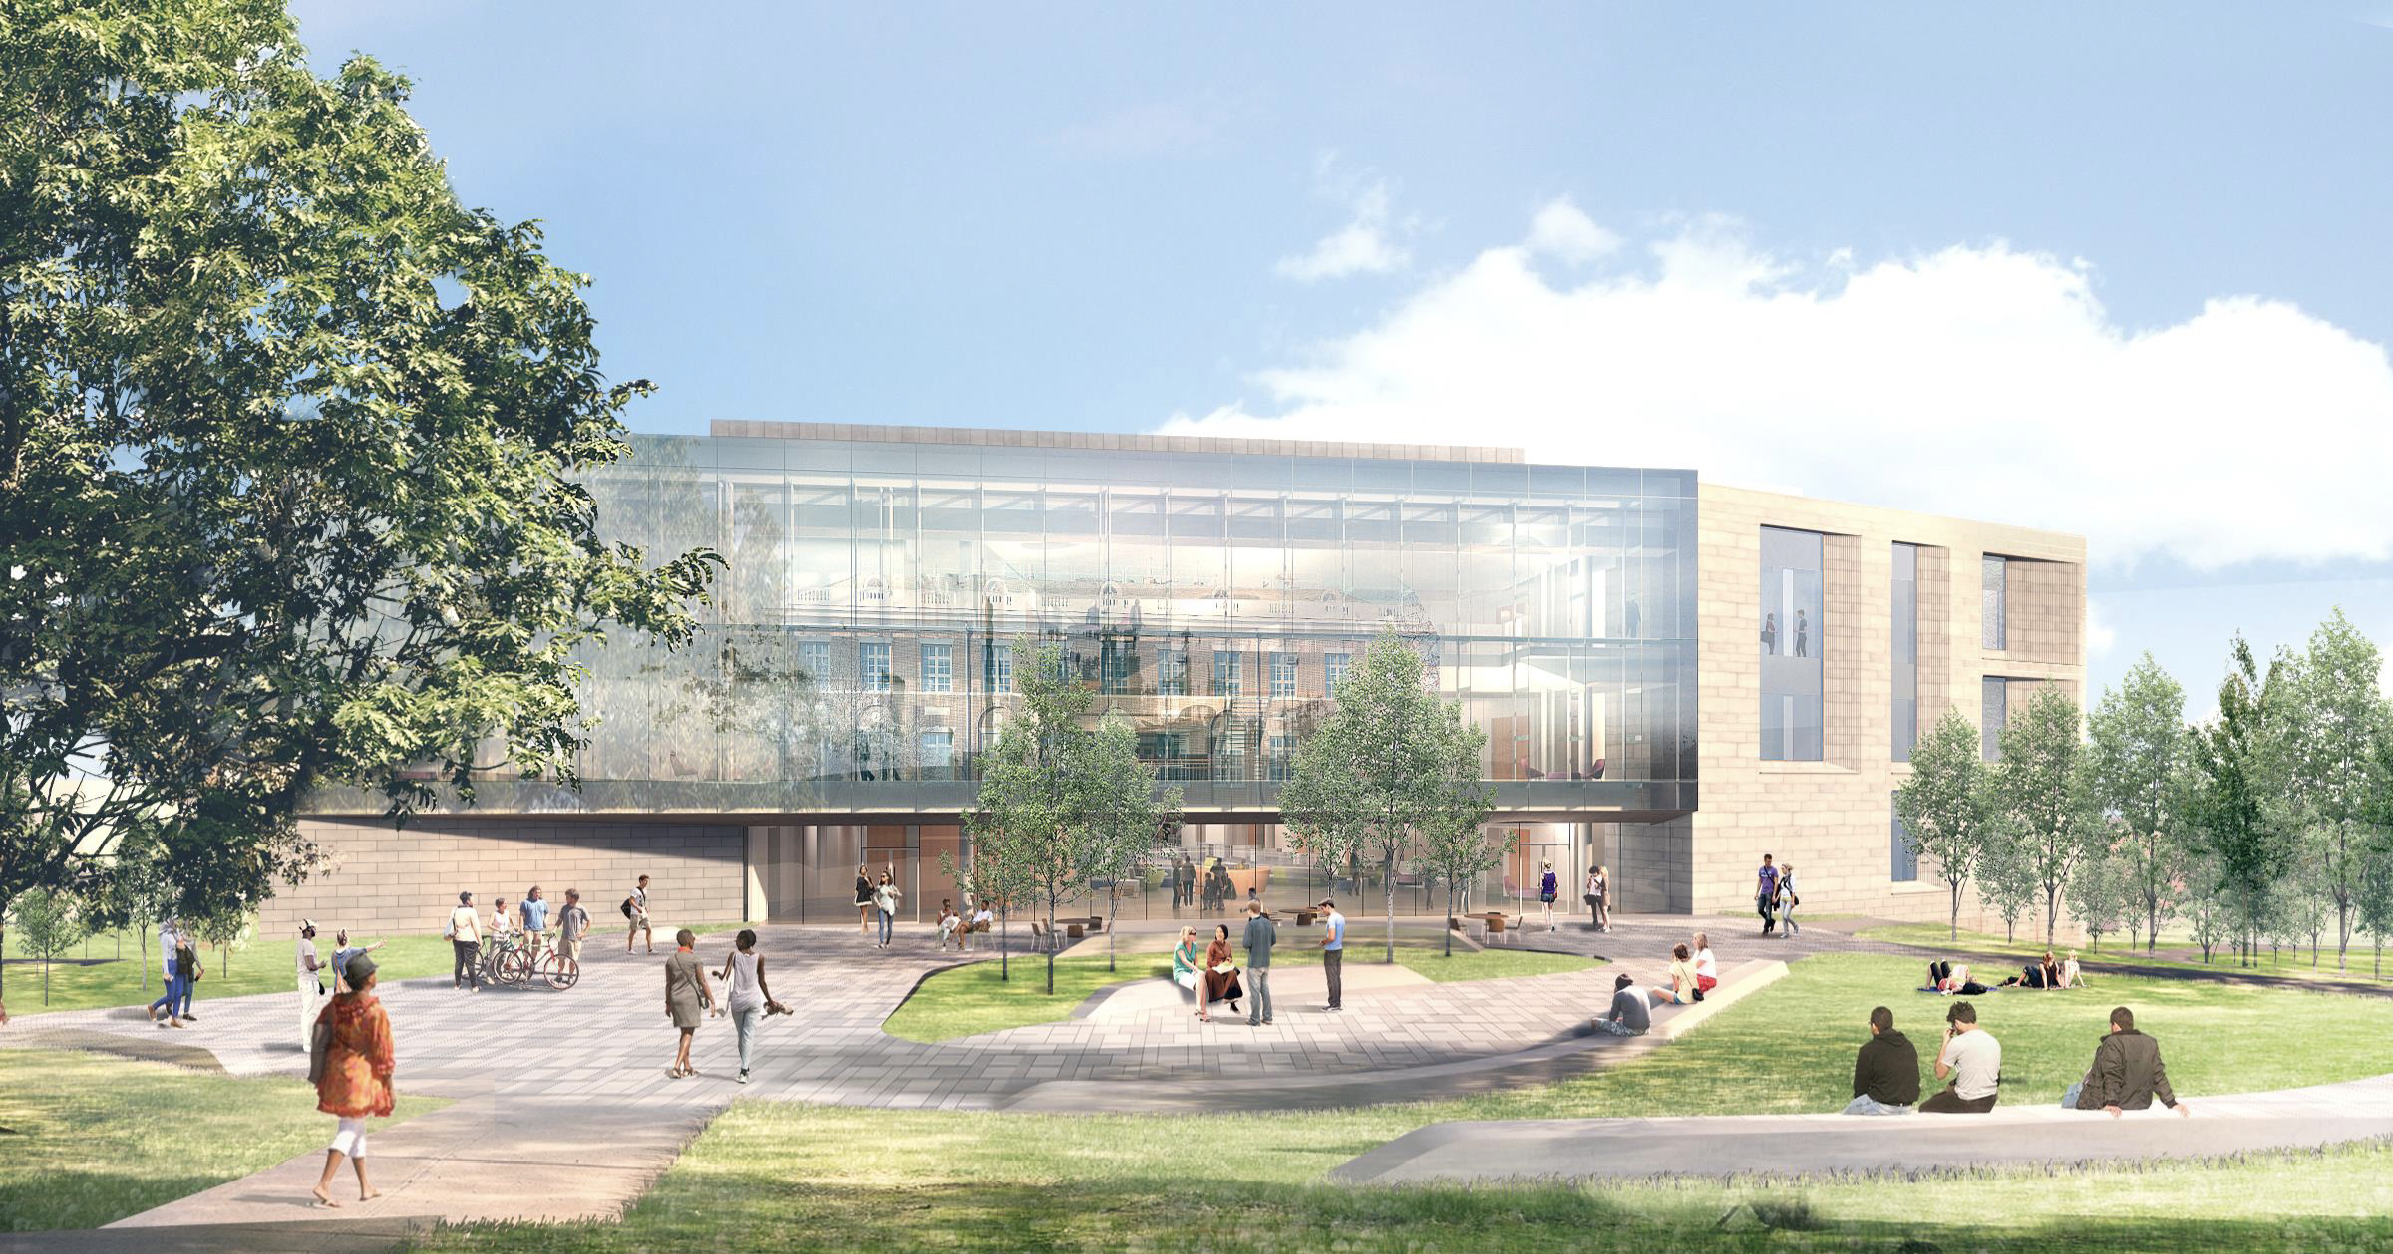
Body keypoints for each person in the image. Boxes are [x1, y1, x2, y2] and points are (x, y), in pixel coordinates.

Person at [310, 953, 394, 1208]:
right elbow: (384, 1053)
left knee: (356, 1127)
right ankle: (324, 1183)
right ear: (369, 979)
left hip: (336, 1074)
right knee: (349, 1129)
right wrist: (389, 1086)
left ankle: (365, 1185)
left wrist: (318, 1071)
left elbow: (319, 1034)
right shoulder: (374, 1012)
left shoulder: (335, 1006)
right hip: (358, 1078)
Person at [2064, 1006, 2191, 1117]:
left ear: (2115, 1025)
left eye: (2111, 1025)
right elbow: (2158, 1075)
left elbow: (2112, 1074)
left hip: (2109, 1101)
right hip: (2140, 1103)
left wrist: (2111, 1102)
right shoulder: (2150, 1043)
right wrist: (2171, 1103)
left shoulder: (2113, 1043)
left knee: (2071, 1093)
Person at [1920, 1001, 2001, 1113]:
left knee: (1924, 1108)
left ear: (1957, 1023)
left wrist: (1945, 1042)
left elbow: (1940, 1074)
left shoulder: (1958, 1042)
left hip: (1968, 1102)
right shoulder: (1993, 1041)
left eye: (1953, 1025)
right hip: (1989, 1100)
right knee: (1952, 1085)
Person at [718, 929, 776, 1085]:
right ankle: (745, 1068)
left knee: (741, 1036)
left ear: (743, 941)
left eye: (737, 939)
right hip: (753, 1001)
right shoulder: (760, 958)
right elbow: (762, 981)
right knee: (748, 1035)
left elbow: (725, 976)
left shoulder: (734, 956)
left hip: (738, 1002)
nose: (736, 942)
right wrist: (770, 1000)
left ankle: (744, 1069)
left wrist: (718, 975)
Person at [1844, 1006, 1921, 1115]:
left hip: (1881, 1106)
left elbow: (1860, 1088)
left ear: (1874, 1027)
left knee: (1845, 1118)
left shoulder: (1869, 1050)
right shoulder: (1908, 1046)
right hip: (1907, 1107)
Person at [663, 928, 714, 1079]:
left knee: (684, 1033)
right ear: (689, 941)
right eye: (693, 938)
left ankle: (687, 1066)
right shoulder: (694, 960)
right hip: (689, 1000)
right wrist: (711, 998)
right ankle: (677, 1067)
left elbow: (668, 984)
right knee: (688, 1033)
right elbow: (702, 981)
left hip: (675, 999)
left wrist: (667, 1003)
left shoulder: (671, 960)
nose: (694, 940)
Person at [1241, 901, 1276, 1026]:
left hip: (1254, 963)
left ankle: (1255, 1019)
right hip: (1266, 962)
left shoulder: (1250, 925)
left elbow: (1246, 944)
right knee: (1265, 990)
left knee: (1255, 992)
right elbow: (1273, 940)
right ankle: (1268, 1017)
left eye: (1247, 910)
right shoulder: (1268, 922)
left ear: (1250, 910)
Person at [295, 920, 328, 1052]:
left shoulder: (299, 944)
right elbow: (310, 965)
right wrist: (321, 965)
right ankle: (308, 1044)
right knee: (310, 1013)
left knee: (307, 1012)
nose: (315, 930)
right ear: (308, 929)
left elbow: (298, 964)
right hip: (309, 983)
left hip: (304, 982)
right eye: (313, 928)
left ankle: (309, 1042)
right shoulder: (308, 944)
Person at [1201, 923, 1242, 1022]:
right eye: (1217, 932)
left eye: (1221, 932)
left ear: (1225, 933)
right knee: (1230, 975)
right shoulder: (1212, 945)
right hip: (1213, 970)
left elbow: (1230, 957)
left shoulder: (1228, 945)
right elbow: (1208, 962)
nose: (1219, 934)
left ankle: (1229, 999)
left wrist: (1229, 960)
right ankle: (1228, 999)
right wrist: (1220, 962)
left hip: (1224, 968)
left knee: (1233, 973)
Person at [1594, 972, 1651, 1036]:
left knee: (1594, 1021)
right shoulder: (1641, 990)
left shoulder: (1619, 994)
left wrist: (1615, 994)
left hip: (1629, 1031)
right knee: (1621, 1020)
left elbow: (1612, 1018)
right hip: (1646, 1030)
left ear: (1617, 987)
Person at [1318, 898, 1345, 1012]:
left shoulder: (1332, 919)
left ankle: (1333, 1004)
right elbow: (1342, 934)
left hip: (1331, 952)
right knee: (1337, 978)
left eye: (1323, 908)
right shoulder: (1341, 917)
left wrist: (1323, 942)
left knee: (1331, 979)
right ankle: (1337, 1003)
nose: (1322, 911)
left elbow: (1331, 937)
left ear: (1328, 906)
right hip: (1339, 950)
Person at [1171, 926, 1204, 1012]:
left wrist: (1196, 970)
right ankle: (1200, 1009)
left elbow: (1196, 960)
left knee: (1202, 975)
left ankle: (1199, 1007)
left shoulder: (1194, 945)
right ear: (1187, 935)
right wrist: (1196, 970)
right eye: (1194, 933)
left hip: (1190, 971)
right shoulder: (1180, 945)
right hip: (1181, 972)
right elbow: (1184, 960)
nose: (1196, 935)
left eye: (1196, 933)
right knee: (1201, 985)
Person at [555, 889, 591, 967]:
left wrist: (583, 932)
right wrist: (554, 929)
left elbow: (589, 920)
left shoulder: (581, 908)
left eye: (567, 897)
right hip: (564, 938)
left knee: (573, 960)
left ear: (573, 898)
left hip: (575, 939)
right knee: (560, 959)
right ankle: (559, 976)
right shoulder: (564, 908)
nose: (566, 899)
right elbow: (559, 920)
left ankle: (570, 976)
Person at [520, 887, 551, 961]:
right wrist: (521, 928)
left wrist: (545, 920)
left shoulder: (543, 902)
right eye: (536, 892)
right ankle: (525, 962)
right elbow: (521, 916)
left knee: (535, 948)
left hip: (539, 929)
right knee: (526, 946)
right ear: (532, 892)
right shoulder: (525, 902)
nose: (538, 894)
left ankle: (532, 963)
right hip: (528, 928)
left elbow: (547, 912)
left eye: (539, 892)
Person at [625, 874, 654, 954]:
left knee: (649, 928)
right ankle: (630, 949)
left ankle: (650, 949)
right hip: (635, 913)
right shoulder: (635, 890)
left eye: (647, 881)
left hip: (643, 913)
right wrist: (637, 908)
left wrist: (645, 908)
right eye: (645, 881)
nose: (646, 883)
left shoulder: (645, 890)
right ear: (641, 881)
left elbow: (642, 901)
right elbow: (631, 901)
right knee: (633, 931)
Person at [873, 873, 902, 948]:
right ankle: (881, 942)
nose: (881, 877)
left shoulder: (892, 886)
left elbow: (899, 894)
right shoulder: (879, 887)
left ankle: (887, 942)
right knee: (881, 925)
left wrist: (893, 892)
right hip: (882, 908)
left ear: (888, 877)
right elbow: (874, 896)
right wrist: (878, 903)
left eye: (883, 876)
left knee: (890, 928)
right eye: (881, 876)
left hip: (891, 908)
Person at [1755, 854, 1780, 936]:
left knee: (1768, 911)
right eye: (1768, 861)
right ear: (1764, 860)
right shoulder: (1761, 869)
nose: (1769, 863)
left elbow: (1776, 883)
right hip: (1762, 892)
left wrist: (1774, 895)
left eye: (1770, 861)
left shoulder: (1774, 870)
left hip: (1770, 892)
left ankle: (1766, 929)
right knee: (1760, 909)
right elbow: (1759, 881)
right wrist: (1757, 892)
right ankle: (1771, 921)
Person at [1585, 864, 1611, 932]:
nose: (1593, 874)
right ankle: (1595, 923)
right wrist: (1589, 883)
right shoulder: (1591, 877)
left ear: (1597, 872)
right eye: (1592, 874)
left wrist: (1598, 886)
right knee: (1594, 911)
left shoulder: (1601, 877)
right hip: (1592, 895)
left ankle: (1606, 924)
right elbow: (1588, 886)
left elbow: (1604, 887)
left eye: (1594, 873)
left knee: (1603, 911)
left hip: (1599, 895)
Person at [1776, 863, 1800, 936]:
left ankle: (1795, 925)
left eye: (1783, 868)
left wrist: (1792, 901)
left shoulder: (1792, 877)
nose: (1782, 870)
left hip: (1789, 899)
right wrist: (1777, 898)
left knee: (1786, 916)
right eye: (1781, 869)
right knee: (1783, 916)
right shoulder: (1782, 877)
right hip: (1782, 899)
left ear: (1787, 869)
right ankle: (1786, 932)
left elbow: (1793, 890)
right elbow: (1781, 889)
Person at [1537, 860, 1559, 931]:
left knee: (1546, 912)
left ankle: (1548, 928)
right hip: (1552, 894)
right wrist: (1554, 889)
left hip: (1545, 893)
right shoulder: (1553, 874)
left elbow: (1540, 885)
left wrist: (1540, 890)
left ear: (1544, 866)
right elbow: (1557, 884)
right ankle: (1552, 925)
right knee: (1550, 910)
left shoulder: (1542, 874)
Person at [854, 864, 875, 935]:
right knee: (862, 912)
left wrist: (868, 881)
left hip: (865, 895)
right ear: (860, 870)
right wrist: (856, 891)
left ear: (866, 870)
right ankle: (866, 927)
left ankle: (864, 928)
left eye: (864, 869)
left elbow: (871, 887)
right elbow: (857, 887)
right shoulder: (858, 878)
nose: (863, 870)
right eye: (862, 869)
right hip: (860, 896)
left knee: (865, 911)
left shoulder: (868, 877)